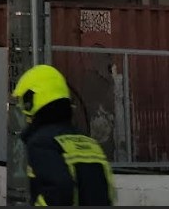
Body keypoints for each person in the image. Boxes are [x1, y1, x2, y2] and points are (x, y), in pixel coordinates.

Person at [12, 64, 115, 206]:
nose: (23, 109)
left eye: (25, 102)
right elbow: (109, 192)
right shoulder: (90, 143)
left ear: (33, 99)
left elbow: (58, 190)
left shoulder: (41, 142)